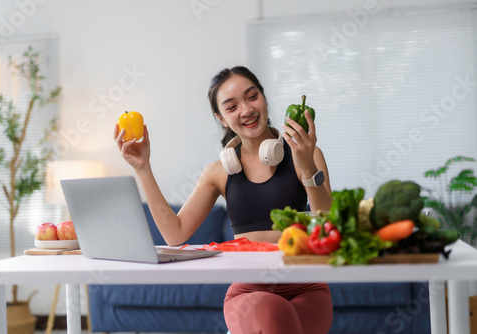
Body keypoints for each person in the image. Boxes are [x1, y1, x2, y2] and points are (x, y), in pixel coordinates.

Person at [114, 66, 333, 334]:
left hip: (307, 288)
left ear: (264, 98)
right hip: (248, 293)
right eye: (231, 107)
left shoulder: (307, 153)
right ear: (221, 118)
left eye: (252, 97)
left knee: (280, 318)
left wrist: (307, 166)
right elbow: (174, 233)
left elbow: (326, 222)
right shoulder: (218, 172)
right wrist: (142, 168)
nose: (246, 110)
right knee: (272, 311)